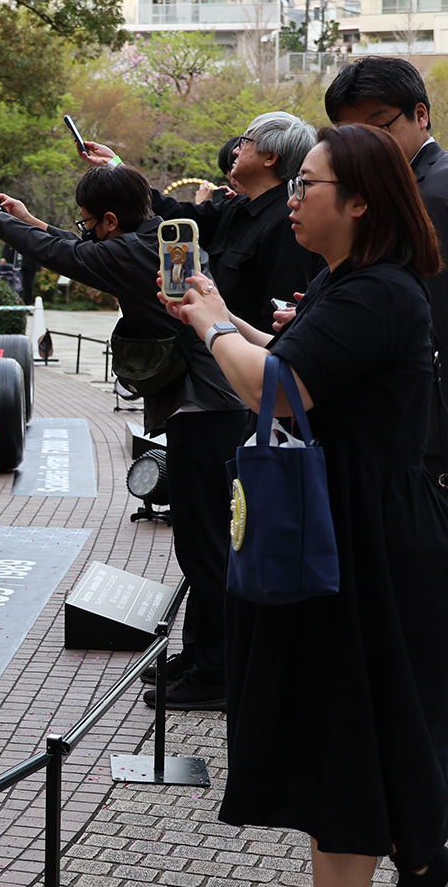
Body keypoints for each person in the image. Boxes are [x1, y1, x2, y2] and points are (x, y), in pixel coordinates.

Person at [162, 124, 448, 887]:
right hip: (343, 528)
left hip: (367, 543)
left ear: (358, 202)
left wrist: (212, 325)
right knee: (341, 744)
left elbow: (278, 389)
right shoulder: (345, 283)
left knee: (350, 748)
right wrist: (220, 310)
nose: (292, 198)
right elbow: (289, 359)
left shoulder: (379, 291)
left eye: (307, 185)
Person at [0, 167, 248, 710]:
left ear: (112, 219)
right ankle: (204, 656)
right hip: (214, 406)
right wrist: (32, 222)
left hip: (207, 410)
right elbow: (84, 251)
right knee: (200, 541)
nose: (86, 231)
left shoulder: (134, 250)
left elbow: (74, 258)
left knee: (205, 544)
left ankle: (215, 673)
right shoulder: (155, 237)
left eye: (90, 222)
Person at [84, 111, 323, 333]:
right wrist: (117, 168)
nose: (235, 152)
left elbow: (276, 313)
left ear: (270, 157)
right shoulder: (237, 208)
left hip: (243, 361)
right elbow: (171, 213)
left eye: (244, 142)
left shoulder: (288, 221)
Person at [326, 56, 448, 483]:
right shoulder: (403, 189)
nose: (365, 144)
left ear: (421, 115)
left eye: (379, 127)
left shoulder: (432, 193)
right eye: (351, 134)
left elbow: (426, 315)